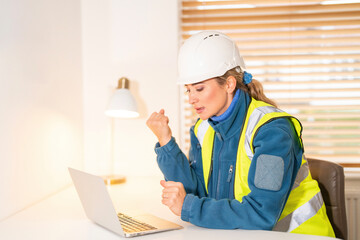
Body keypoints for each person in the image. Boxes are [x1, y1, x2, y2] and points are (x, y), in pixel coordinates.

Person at [146, 31, 335, 237]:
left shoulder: (273, 131)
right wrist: (165, 141)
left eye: (199, 89)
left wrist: (189, 207)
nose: (191, 99)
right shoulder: (203, 129)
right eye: (188, 90)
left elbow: (261, 214)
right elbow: (193, 193)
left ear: (228, 84)